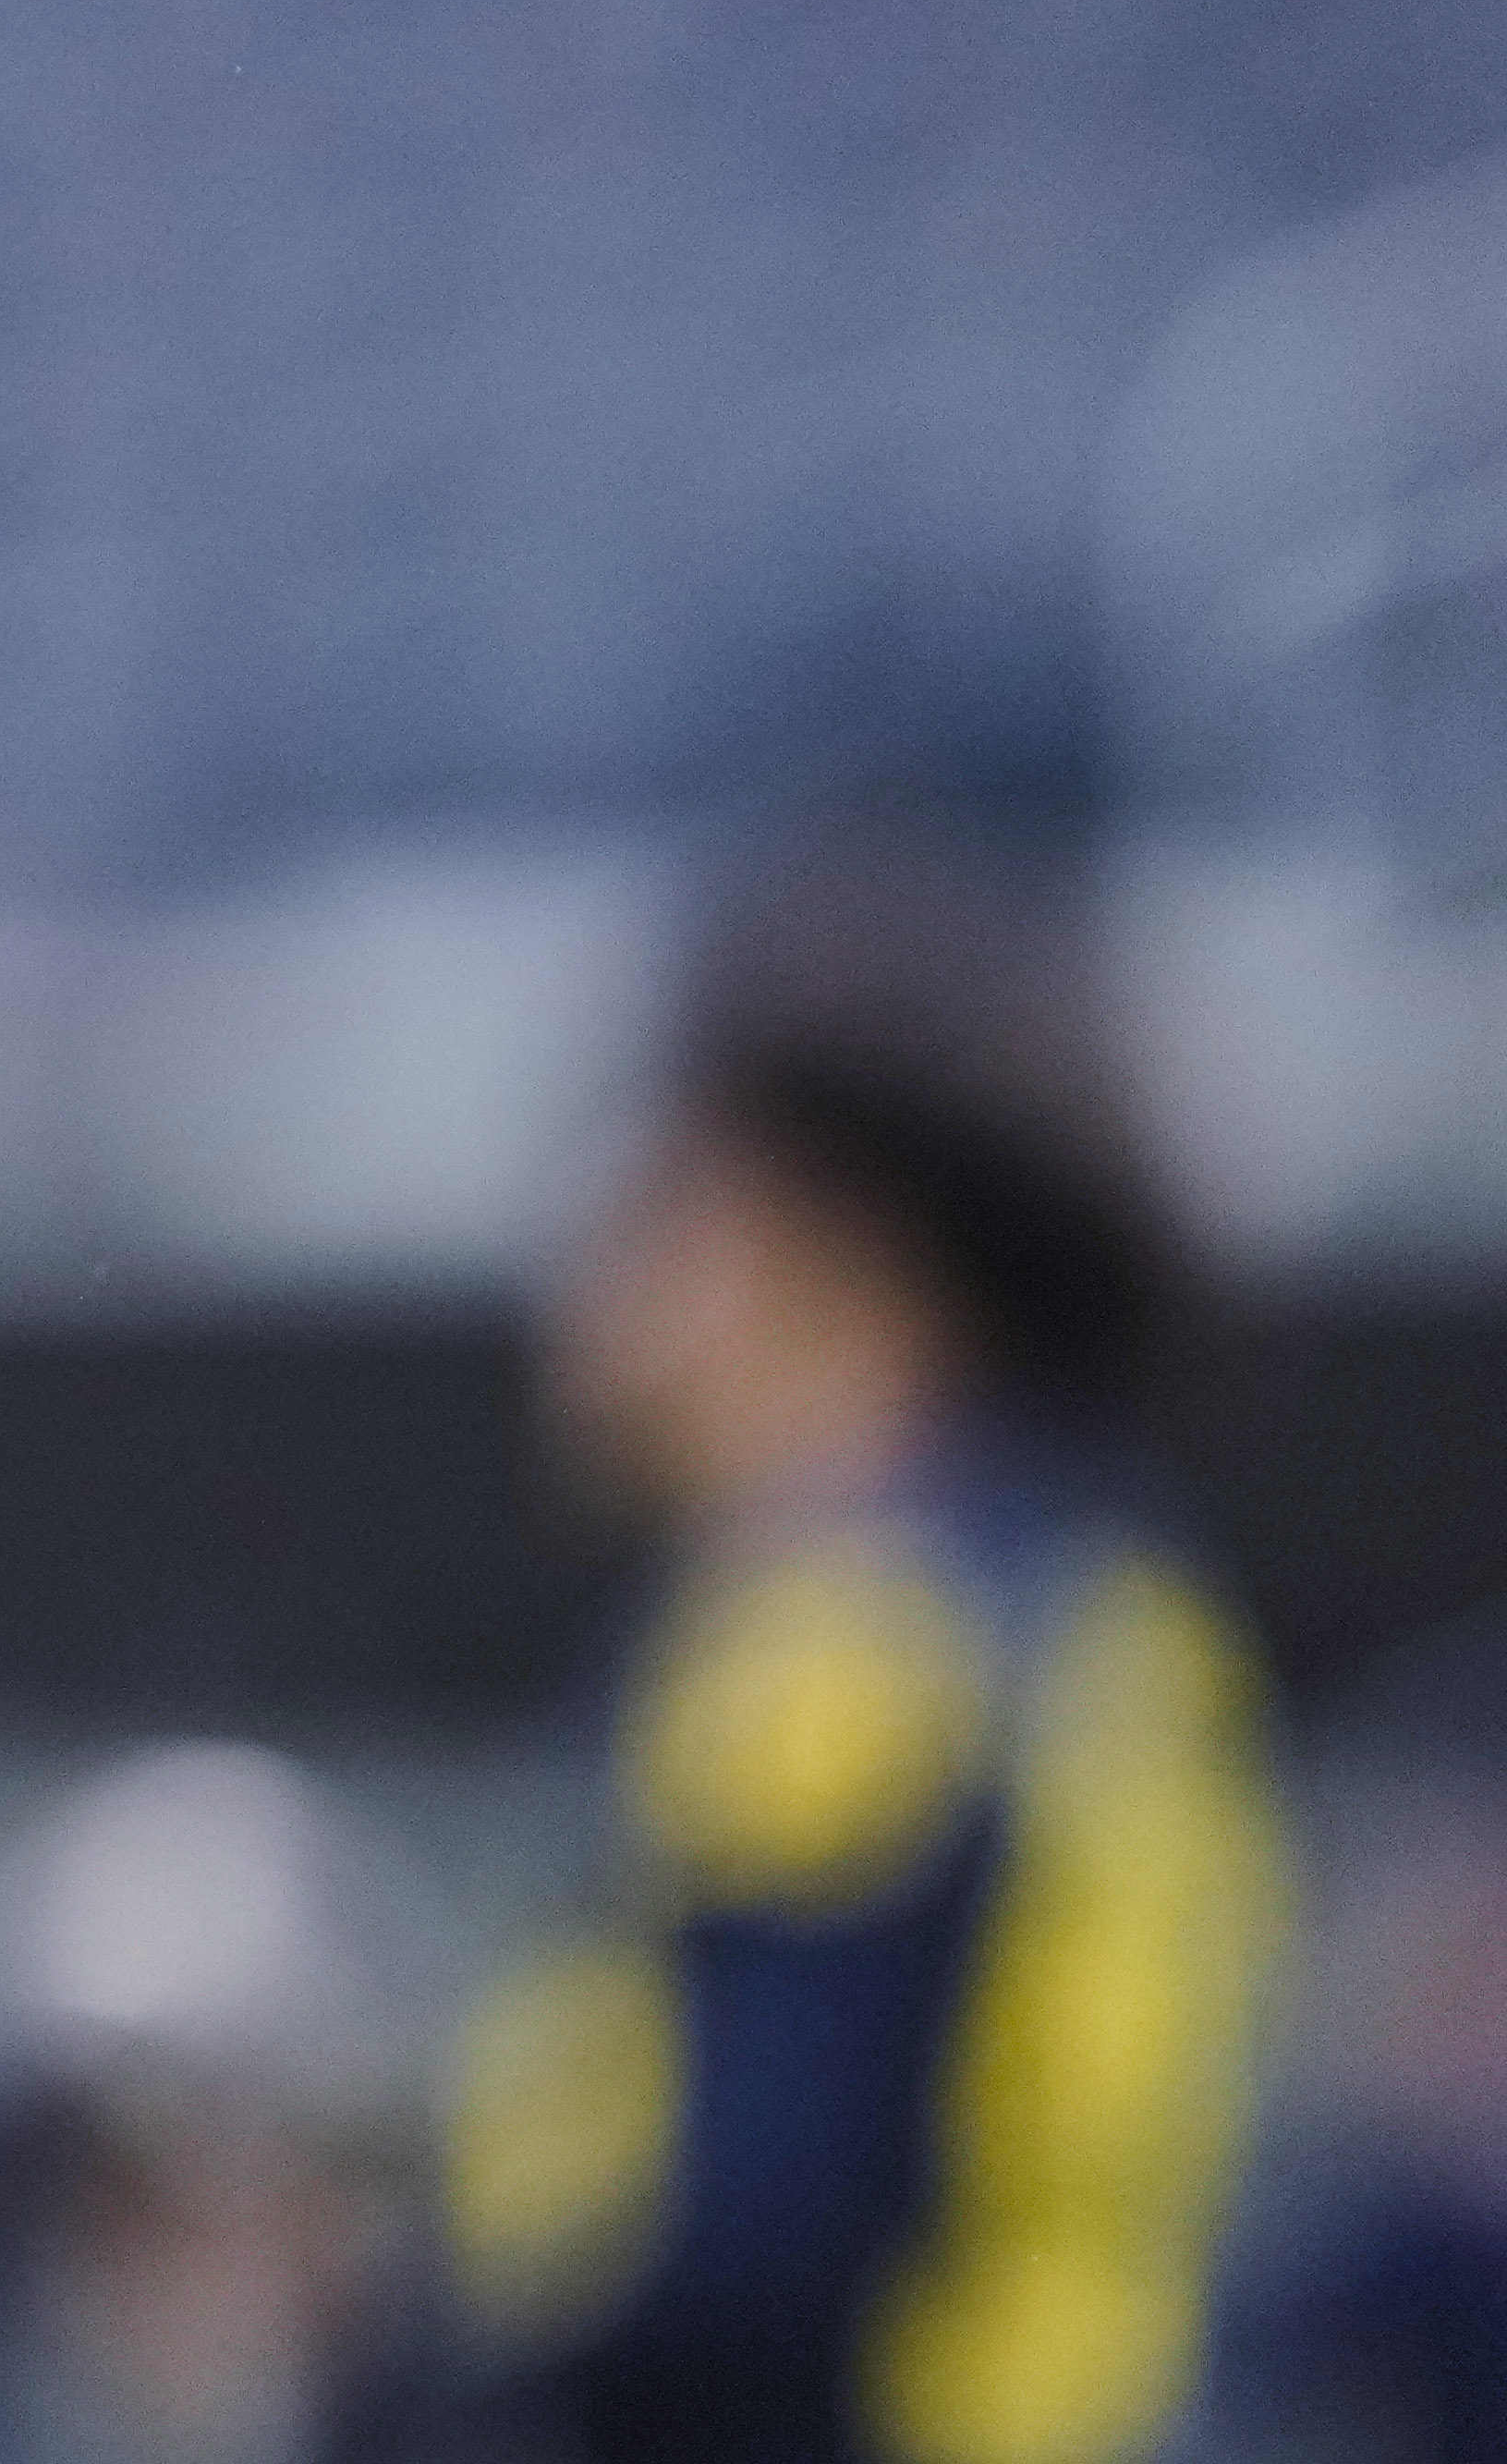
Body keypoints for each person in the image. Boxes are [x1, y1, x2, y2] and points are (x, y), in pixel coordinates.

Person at [436, 866, 1287, 2464]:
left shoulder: (839, 1635)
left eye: (657, 1201)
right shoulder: (1109, 1602)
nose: (593, 1271)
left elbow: (743, 2268)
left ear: (822, 1252)